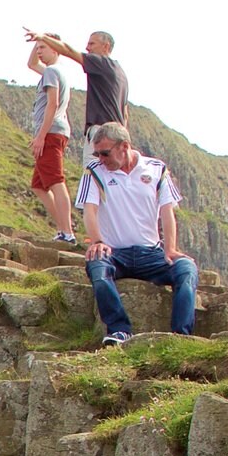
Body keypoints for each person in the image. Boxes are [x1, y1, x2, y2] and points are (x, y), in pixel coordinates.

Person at [77, 123, 198, 345]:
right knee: (97, 265)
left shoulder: (156, 169)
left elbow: (167, 210)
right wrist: (97, 241)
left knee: (186, 269)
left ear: (124, 146)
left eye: (105, 153)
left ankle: (181, 337)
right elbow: (90, 209)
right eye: (97, 153)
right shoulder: (94, 171)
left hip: (151, 253)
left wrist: (170, 249)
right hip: (114, 253)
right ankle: (119, 330)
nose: (101, 159)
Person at [24, 27, 130, 165]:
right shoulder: (120, 73)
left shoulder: (100, 63)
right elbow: (125, 113)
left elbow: (68, 51)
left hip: (101, 131)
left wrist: (42, 37)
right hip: (117, 134)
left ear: (106, 46)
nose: (87, 48)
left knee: (92, 175)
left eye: (92, 44)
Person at [29, 41, 75, 243]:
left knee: (56, 180)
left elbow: (52, 103)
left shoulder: (51, 72)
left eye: (43, 47)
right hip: (56, 131)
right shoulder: (55, 71)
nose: (39, 51)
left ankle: (67, 232)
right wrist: (38, 39)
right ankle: (63, 228)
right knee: (39, 185)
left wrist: (41, 136)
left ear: (55, 49)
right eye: (38, 47)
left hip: (51, 132)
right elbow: (31, 63)